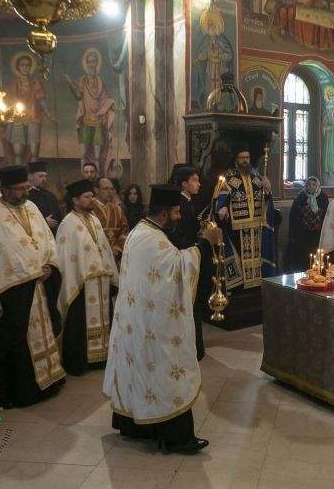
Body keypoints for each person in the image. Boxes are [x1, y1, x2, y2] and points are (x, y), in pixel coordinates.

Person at [103, 185, 222, 454]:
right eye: (177, 212)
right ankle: (178, 437)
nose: (180, 216)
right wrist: (206, 243)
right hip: (152, 324)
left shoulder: (140, 231)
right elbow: (178, 267)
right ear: (165, 214)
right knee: (167, 369)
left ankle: (137, 426)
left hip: (138, 320)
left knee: (141, 370)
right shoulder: (152, 239)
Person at [0, 165, 65, 407]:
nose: (26, 192)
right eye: (21, 188)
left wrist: (50, 265)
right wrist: (22, 273)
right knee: (15, 341)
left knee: (41, 335)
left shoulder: (32, 207)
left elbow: (47, 240)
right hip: (11, 290)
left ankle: (47, 383)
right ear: (4, 189)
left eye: (27, 187)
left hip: (38, 286)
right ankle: (18, 392)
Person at [56, 180, 118, 376]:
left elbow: (104, 248)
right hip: (81, 282)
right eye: (87, 197)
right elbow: (66, 257)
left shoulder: (94, 220)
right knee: (79, 323)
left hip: (100, 281)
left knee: (104, 318)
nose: (92, 199)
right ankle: (79, 361)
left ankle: (102, 357)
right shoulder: (68, 223)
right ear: (75, 199)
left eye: (92, 196)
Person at [215, 143, 277, 290]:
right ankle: (240, 287)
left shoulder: (257, 176)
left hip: (256, 224)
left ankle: (256, 286)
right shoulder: (228, 177)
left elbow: (266, 200)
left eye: (247, 157)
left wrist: (268, 189)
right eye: (242, 158)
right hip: (237, 227)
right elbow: (221, 196)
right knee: (240, 259)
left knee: (256, 258)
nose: (245, 161)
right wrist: (222, 207)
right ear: (236, 159)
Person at [171, 166, 209, 361]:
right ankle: (193, 348)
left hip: (191, 256)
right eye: (194, 180)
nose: (199, 184)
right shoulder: (180, 204)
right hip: (185, 258)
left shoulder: (191, 201)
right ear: (184, 184)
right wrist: (199, 242)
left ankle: (196, 347)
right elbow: (177, 236)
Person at [65, 49, 118, 173]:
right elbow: (79, 96)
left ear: (97, 63)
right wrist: (70, 84)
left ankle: (98, 179)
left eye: (94, 62)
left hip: (98, 123)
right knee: (83, 155)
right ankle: (84, 177)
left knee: (97, 157)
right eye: (89, 62)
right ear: (86, 64)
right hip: (85, 122)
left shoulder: (100, 82)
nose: (91, 65)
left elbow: (105, 98)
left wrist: (113, 106)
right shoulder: (83, 81)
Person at [5, 53, 54, 164]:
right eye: (22, 65)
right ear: (18, 67)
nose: (25, 67)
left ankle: (33, 177)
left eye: (28, 65)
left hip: (33, 118)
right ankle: (18, 177)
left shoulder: (35, 82)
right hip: (17, 119)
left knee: (34, 152)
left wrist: (48, 114)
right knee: (18, 152)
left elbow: (41, 100)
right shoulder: (12, 84)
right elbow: (7, 103)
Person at [286, 176, 329, 272]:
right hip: (303, 236)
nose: (311, 186)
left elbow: (326, 216)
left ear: (317, 185)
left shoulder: (323, 197)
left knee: (318, 259)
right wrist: (294, 234)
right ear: (306, 185)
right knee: (305, 260)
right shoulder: (300, 197)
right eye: (309, 184)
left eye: (314, 184)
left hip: (318, 235)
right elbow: (294, 217)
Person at [92, 177, 129, 263]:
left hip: (114, 257)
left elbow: (125, 231)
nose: (110, 192)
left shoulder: (117, 209)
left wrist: (117, 248)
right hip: (95, 257)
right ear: (96, 190)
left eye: (112, 189)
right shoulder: (89, 209)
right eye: (106, 189)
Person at [27, 161, 62, 234]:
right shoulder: (26, 196)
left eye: (45, 176)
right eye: (40, 176)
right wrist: (44, 222)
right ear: (30, 177)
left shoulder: (50, 195)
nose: (44, 179)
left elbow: (58, 215)